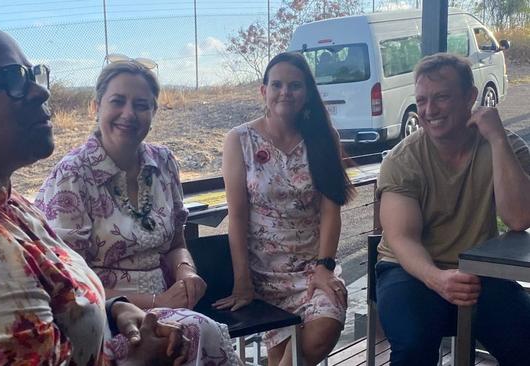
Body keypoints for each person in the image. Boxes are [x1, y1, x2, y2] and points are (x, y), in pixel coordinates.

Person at [0, 12, 228, 366]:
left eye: (34, 74)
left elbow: (57, 298)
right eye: (11, 78)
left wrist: (113, 310)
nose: (41, 90)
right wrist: (144, 361)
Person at [35, 60, 239, 365]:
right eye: (118, 101)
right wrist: (157, 302)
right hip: (103, 315)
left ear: (153, 113)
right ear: (96, 107)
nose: (129, 114)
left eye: (141, 105)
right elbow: (68, 282)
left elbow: (176, 243)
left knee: (188, 330)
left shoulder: (164, 162)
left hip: (169, 304)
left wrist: (186, 272)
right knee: (193, 331)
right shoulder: (72, 175)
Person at [376, 52, 530, 366]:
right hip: (409, 271)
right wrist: (438, 279)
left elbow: (519, 218)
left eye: (442, 97)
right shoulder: (402, 159)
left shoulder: (507, 147)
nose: (429, 110)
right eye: (421, 100)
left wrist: (497, 138)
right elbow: (402, 239)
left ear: (470, 97)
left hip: (479, 271)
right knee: (414, 346)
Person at [213, 52, 355, 366]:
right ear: (263, 91)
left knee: (327, 323)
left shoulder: (323, 137)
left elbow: (332, 209)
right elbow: (236, 217)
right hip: (262, 275)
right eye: (276, 84)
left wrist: (325, 266)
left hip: (312, 270)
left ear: (307, 94)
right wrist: (242, 281)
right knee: (288, 359)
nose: (285, 92)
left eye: (295, 85)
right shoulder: (239, 140)